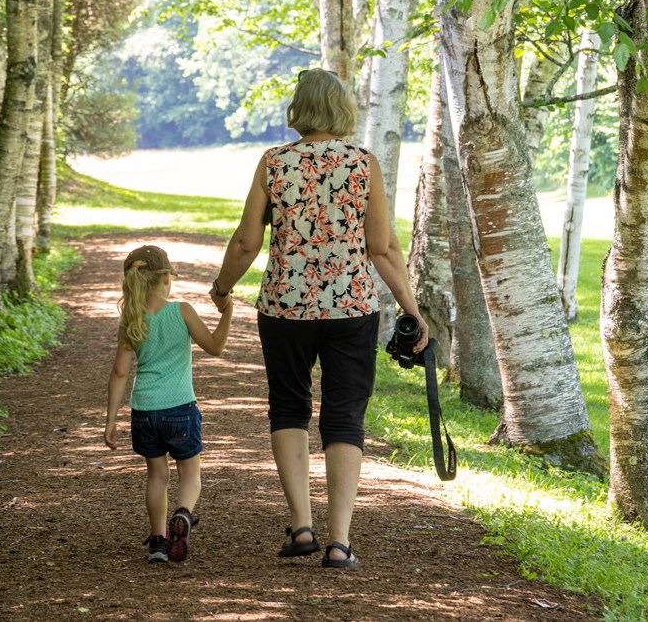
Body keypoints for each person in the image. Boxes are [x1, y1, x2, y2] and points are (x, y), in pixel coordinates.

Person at [209, 67, 428, 570]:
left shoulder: (273, 163)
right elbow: (384, 247)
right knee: (345, 415)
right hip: (351, 307)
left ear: (298, 109)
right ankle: (340, 541)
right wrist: (412, 310)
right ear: (341, 108)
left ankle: (302, 526)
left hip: (285, 306)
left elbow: (247, 241)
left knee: (288, 408)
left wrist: (222, 288)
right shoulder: (362, 163)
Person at [104, 244, 233, 564]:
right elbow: (215, 347)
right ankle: (184, 514)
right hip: (180, 408)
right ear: (164, 278)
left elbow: (120, 372)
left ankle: (159, 542)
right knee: (190, 474)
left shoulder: (131, 320)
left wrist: (110, 420)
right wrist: (227, 311)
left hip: (144, 411)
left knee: (157, 476)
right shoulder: (182, 311)